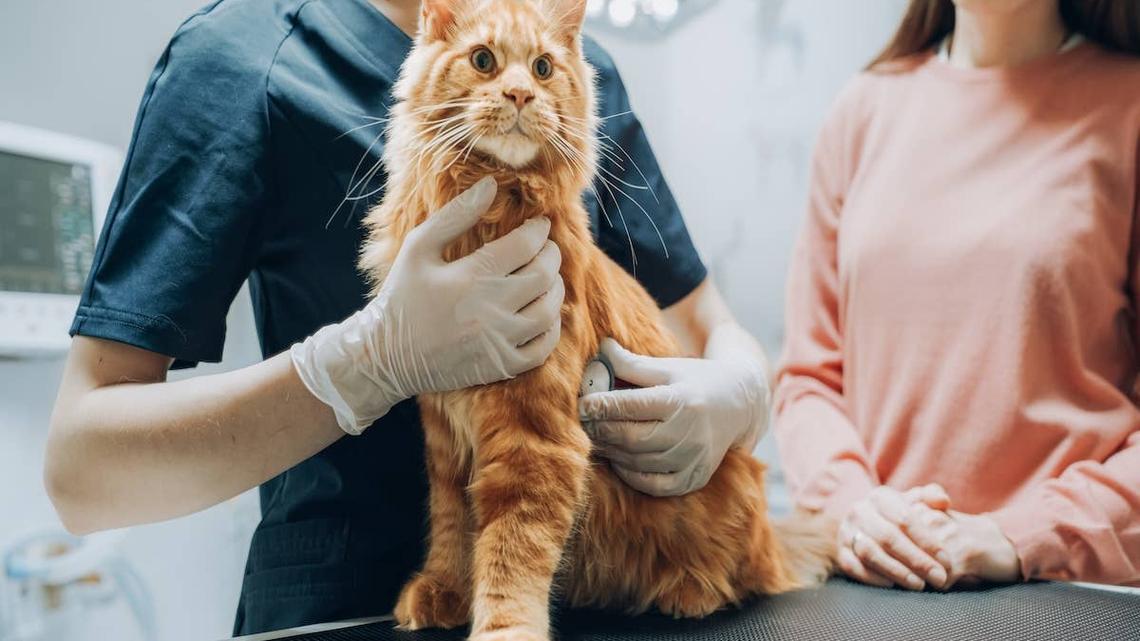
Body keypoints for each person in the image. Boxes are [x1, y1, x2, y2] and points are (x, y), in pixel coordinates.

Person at [44, 0, 769, 635]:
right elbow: (82, 469)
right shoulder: (239, 55)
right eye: (484, 62)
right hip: (342, 612)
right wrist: (362, 365)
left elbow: (707, 323)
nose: (518, 84)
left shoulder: (576, 61)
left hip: (612, 602)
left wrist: (742, 390)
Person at [774, 0, 1140, 592]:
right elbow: (808, 377)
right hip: (872, 590)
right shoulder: (862, 110)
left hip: (1061, 594)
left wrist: (1022, 534)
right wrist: (856, 508)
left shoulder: (1130, 107)